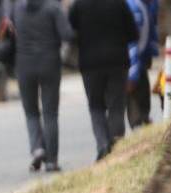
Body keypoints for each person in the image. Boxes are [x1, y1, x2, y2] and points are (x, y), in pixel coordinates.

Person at [68, 0, 139, 161]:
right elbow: (134, 33)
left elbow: (70, 33)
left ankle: (102, 144)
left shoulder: (79, 5)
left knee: (95, 106)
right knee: (116, 106)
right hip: (117, 61)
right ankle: (116, 145)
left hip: (90, 63)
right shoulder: (119, 3)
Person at [11, 0, 74, 172]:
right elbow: (67, 34)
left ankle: (37, 148)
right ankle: (52, 161)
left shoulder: (17, 8)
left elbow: (12, 31)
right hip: (49, 64)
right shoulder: (53, 7)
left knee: (31, 112)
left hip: (24, 65)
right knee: (50, 113)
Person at [125, 0, 159, 129]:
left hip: (140, 59)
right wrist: (132, 74)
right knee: (135, 94)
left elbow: (152, 27)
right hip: (133, 62)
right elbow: (132, 42)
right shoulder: (134, 7)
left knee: (142, 93)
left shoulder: (148, 4)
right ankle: (139, 123)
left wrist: (150, 53)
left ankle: (142, 121)